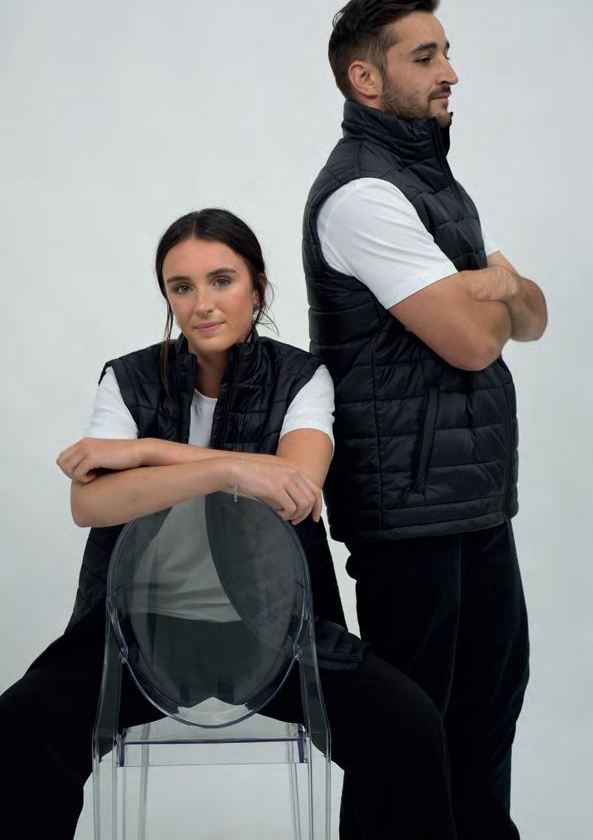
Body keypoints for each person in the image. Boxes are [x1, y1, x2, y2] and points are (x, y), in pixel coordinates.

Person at [0, 208, 457, 840]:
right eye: (181, 287)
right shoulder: (127, 379)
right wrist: (229, 470)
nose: (202, 304)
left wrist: (146, 453)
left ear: (257, 287)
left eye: (222, 280)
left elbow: (297, 489)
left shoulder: (302, 378)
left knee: (408, 723)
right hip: (140, 631)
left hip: (273, 629)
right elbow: (92, 505)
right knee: (21, 725)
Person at [302, 0, 548, 840]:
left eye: (446, 51)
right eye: (425, 56)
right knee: (410, 734)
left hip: (473, 498)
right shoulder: (363, 196)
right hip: (408, 510)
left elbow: (532, 314)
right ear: (365, 79)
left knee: (488, 708)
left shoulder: (429, 182)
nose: (451, 72)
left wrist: (496, 289)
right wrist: (493, 292)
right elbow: (476, 342)